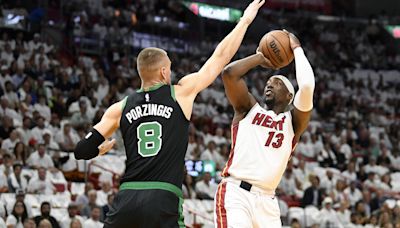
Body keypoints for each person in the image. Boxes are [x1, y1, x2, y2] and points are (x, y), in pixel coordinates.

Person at [74, 1, 266, 227]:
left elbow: (80, 151)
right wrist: (245, 21)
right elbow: (220, 57)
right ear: (164, 71)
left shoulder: (120, 107)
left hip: (127, 198)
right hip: (163, 197)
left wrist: (99, 150)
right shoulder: (181, 94)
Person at [214, 30, 315, 227]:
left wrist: (296, 49)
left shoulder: (293, 123)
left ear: (289, 96)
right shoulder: (248, 109)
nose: (269, 85)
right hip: (237, 194)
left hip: (268, 201)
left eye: (276, 83)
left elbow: (308, 86)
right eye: (268, 82)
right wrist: (260, 57)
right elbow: (229, 74)